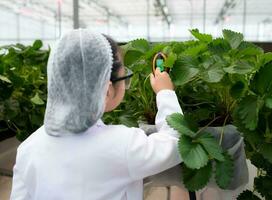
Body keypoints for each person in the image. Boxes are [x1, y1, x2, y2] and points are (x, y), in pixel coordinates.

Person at [10, 29, 183, 200]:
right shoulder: (123, 145)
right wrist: (165, 92)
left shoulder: (28, 149)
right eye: (125, 77)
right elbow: (175, 143)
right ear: (107, 90)